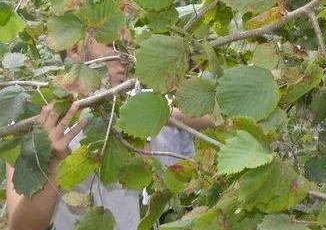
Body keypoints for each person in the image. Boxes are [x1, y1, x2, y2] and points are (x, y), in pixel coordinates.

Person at [4, 36, 213, 230]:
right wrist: (54, 166)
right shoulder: (33, 119)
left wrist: (158, 112)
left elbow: (215, 116)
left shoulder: (132, 106)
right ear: (75, 49)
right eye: (114, 45)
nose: (126, 58)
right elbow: (21, 227)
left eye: (127, 48)